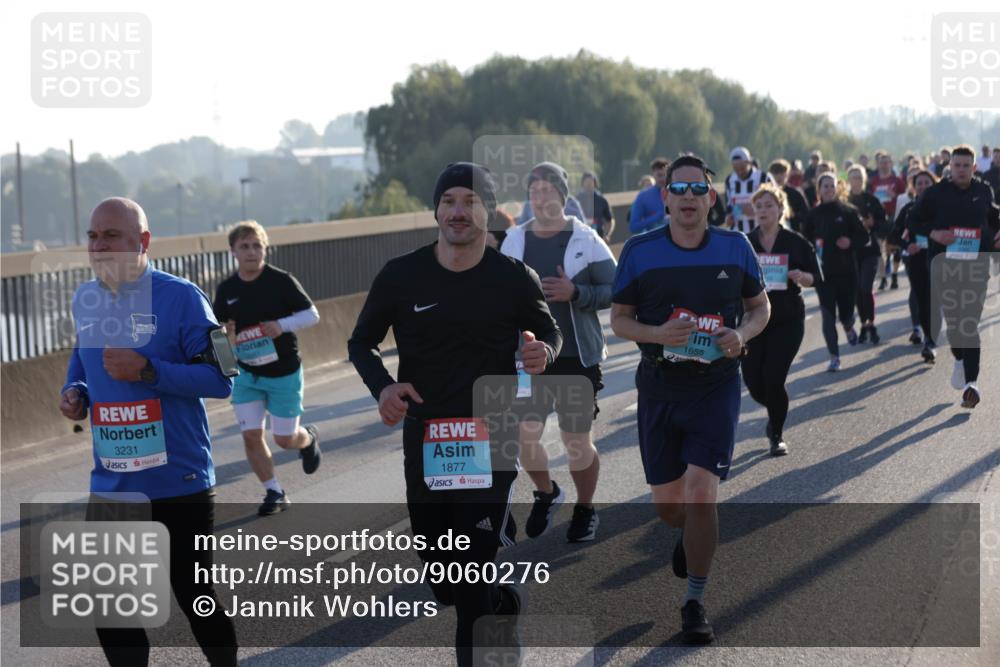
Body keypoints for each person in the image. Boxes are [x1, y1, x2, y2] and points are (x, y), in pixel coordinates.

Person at [348, 162, 562, 665]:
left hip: (492, 436)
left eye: (470, 201)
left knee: (468, 583)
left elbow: (549, 333)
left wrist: (543, 354)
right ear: (437, 210)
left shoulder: (513, 278)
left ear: (488, 212)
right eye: (450, 201)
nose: (459, 211)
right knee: (445, 580)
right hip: (428, 440)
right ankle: (501, 599)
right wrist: (383, 388)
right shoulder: (402, 275)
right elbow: (361, 343)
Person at [60, 197, 238, 666]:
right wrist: (74, 392)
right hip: (114, 482)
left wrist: (148, 372)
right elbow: (83, 360)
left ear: (142, 242)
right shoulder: (85, 298)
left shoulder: (184, 298)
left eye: (111, 236)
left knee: (195, 597)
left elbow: (223, 377)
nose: (99, 246)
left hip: (178, 480)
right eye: (93, 236)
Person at [610, 154, 770, 644]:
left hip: (715, 385)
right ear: (664, 198)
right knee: (669, 508)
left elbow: (759, 307)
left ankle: (695, 601)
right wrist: (658, 333)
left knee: (703, 493)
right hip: (660, 387)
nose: (687, 198)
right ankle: (684, 534)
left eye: (697, 190)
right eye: (678, 190)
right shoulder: (639, 251)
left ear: (711, 198)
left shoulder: (735, 246)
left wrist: (741, 335)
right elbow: (619, 320)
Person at [501, 161, 617, 543]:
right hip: (530, 358)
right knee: (523, 435)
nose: (539, 197)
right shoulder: (515, 240)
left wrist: (577, 294)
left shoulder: (586, 240)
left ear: (561, 196)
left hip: (575, 359)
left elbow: (617, 289)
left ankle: (585, 509)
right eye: (533, 192)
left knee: (576, 442)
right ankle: (547, 493)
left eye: (547, 190)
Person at [213, 220, 322, 516]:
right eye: (245, 246)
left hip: (283, 371)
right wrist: (227, 336)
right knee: (251, 435)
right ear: (233, 251)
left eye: (257, 245)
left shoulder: (280, 281)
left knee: (285, 439)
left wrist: (281, 325)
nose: (252, 252)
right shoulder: (227, 290)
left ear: (265, 248)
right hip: (247, 374)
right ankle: (274, 491)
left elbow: (312, 315)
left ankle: (308, 438)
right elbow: (218, 335)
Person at [910, 145, 1000, 409]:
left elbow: (993, 216)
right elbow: (913, 221)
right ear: (949, 167)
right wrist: (934, 234)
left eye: (966, 166)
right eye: (956, 165)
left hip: (976, 267)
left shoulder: (983, 191)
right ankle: (960, 359)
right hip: (944, 267)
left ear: (974, 168)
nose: (961, 170)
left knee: (969, 324)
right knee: (955, 324)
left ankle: (971, 385)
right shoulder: (934, 194)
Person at [744, 183, 821, 456]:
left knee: (774, 379)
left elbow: (816, 277)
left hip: (787, 317)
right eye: (759, 206)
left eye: (769, 205)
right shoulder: (745, 243)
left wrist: (803, 277)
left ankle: (776, 433)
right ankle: (776, 408)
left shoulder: (795, 242)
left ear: (780, 209)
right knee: (754, 382)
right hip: (752, 321)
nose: (763, 210)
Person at [801, 173, 869, 371]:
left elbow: (863, 237)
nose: (829, 189)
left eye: (832, 186)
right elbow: (804, 242)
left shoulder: (848, 211)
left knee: (847, 313)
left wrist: (850, 242)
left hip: (847, 272)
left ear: (837, 188)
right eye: (825, 186)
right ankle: (834, 357)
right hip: (824, 274)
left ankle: (848, 326)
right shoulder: (813, 215)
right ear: (819, 190)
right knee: (828, 315)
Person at [890, 169, 939, 362]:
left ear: (933, 185)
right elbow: (894, 234)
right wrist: (907, 245)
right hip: (917, 259)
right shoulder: (909, 209)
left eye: (927, 183)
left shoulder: (942, 208)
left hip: (940, 258)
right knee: (924, 301)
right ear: (914, 187)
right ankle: (930, 341)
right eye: (919, 183)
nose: (923, 186)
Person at [847, 166, 889, 343]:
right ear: (848, 180)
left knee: (866, 287)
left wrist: (872, 224)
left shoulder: (871, 200)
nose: (856, 180)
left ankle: (871, 322)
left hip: (870, 251)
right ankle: (864, 324)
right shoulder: (844, 200)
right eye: (853, 177)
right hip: (850, 252)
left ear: (864, 180)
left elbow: (884, 224)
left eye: (859, 177)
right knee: (857, 291)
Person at [724, 146, 773, 234]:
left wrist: (756, 211)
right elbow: (729, 203)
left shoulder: (763, 178)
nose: (739, 172)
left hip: (760, 232)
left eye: (742, 168)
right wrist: (729, 216)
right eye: (736, 169)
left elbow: (775, 203)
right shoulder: (729, 180)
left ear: (749, 162)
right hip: (737, 232)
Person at [516, 162, 586, 225]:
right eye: (534, 191)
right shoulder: (528, 205)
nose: (540, 198)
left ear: (561, 193)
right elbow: (521, 225)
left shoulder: (572, 204)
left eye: (546, 190)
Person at [629, 157, 670, 234]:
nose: (662, 178)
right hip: (654, 241)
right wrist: (656, 217)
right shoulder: (643, 196)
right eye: (659, 175)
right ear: (653, 174)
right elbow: (633, 227)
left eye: (665, 175)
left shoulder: (678, 193)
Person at [768, 159, 810, 232]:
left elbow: (806, 215)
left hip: (792, 232)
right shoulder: (765, 194)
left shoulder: (796, 193)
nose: (778, 176)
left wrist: (793, 215)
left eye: (782, 173)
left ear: (787, 174)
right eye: (775, 173)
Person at [577, 171, 616, 240]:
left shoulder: (601, 200)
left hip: (598, 238)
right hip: (581, 238)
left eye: (591, 182)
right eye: (586, 182)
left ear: (595, 183)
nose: (589, 184)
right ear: (582, 183)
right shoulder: (577, 200)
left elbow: (609, 220)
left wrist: (606, 235)